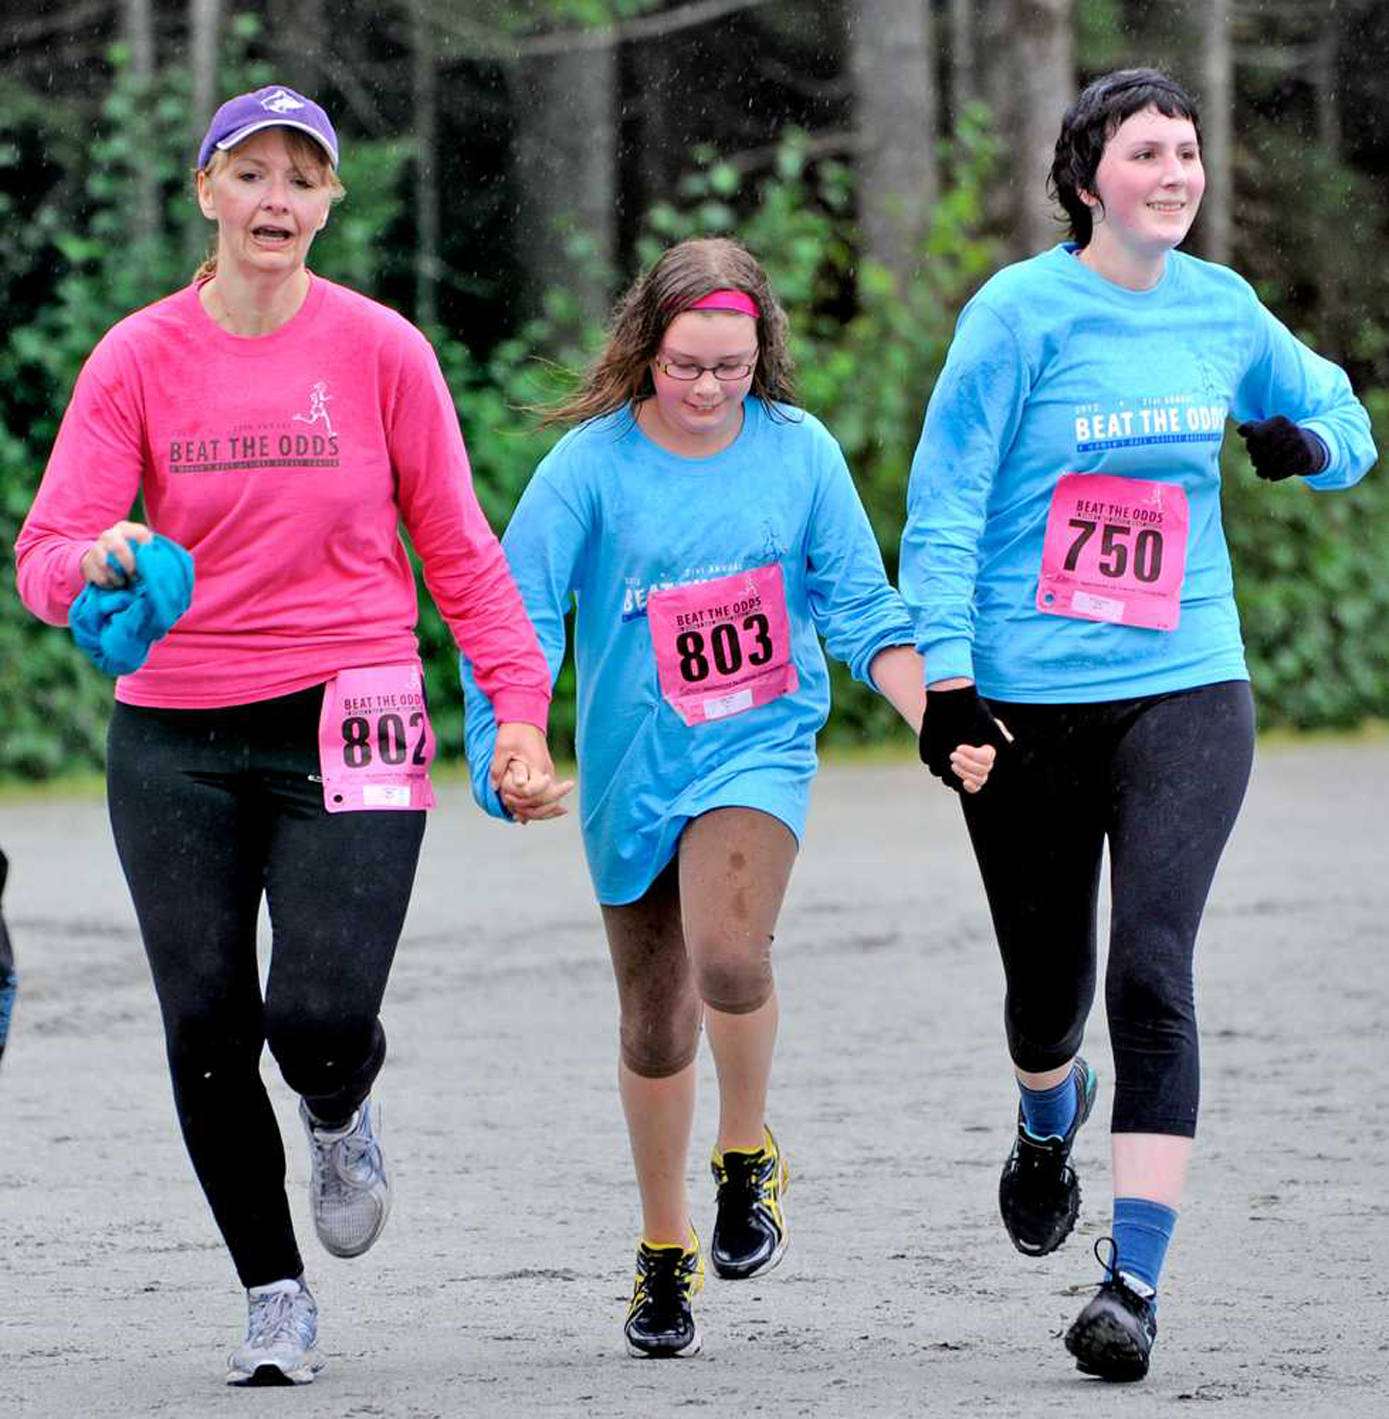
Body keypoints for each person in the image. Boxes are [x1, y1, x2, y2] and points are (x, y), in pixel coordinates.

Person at [15, 84, 561, 1386]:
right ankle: (274, 1292)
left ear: (327, 202)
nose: (276, 198)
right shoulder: (137, 357)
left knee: (314, 1014)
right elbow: (43, 555)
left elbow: (461, 550)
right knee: (205, 1020)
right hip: (176, 733)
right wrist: (94, 557)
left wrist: (519, 717)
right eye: (249, 172)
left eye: (300, 177)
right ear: (205, 191)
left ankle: (338, 1098)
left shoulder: (380, 350)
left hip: (353, 712)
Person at [901, 68, 1376, 1383]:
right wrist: (946, 682)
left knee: (1152, 972)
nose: (1177, 171)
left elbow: (1347, 424)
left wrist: (1300, 444)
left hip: (1186, 682)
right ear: (1082, 177)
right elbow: (943, 506)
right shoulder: (1017, 314)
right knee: (1046, 1000)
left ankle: (1134, 1278)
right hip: (1023, 702)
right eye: (1148, 152)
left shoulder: (1223, 312)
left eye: (1188, 151)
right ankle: (1047, 1113)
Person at [462, 236, 994, 1358]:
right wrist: (504, 747)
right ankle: (664, 1254)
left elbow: (859, 612)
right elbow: (510, 619)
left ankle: (745, 1161)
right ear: (643, 347)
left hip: (756, 750)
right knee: (655, 1031)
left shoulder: (798, 455)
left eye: (733, 368)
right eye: (685, 366)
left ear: (764, 355)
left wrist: (936, 716)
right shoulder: (589, 469)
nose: (708, 390)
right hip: (629, 773)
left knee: (731, 955)